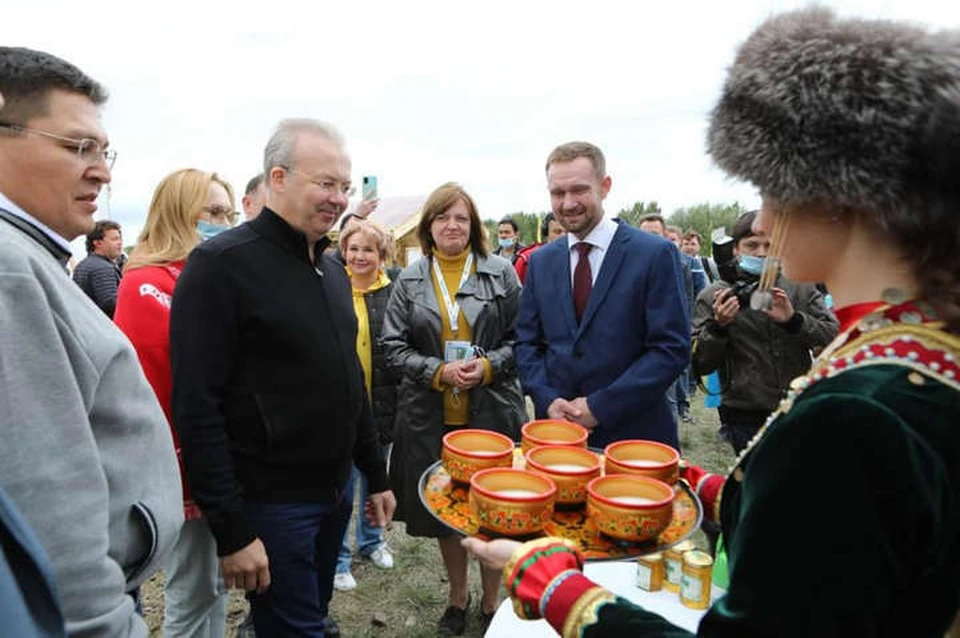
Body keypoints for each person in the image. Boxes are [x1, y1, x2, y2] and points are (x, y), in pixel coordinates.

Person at [463, 8, 960, 636]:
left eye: (772, 184)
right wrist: (689, 479)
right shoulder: (911, 355)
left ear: (840, 193)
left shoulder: (858, 412)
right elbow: (838, 534)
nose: (760, 218)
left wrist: (554, 586)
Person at [170, 118, 395, 638]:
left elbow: (350, 383)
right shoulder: (220, 266)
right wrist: (231, 530)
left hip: (336, 493)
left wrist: (374, 474)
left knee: (310, 616)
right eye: (325, 183)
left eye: (344, 185)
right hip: (273, 504)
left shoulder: (334, 271)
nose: (339, 198)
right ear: (277, 177)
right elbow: (196, 407)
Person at [0, 46, 182, 636]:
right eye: (79, 147)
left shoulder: (30, 257)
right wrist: (106, 625)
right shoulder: (8, 269)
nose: (103, 171)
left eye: (104, 152)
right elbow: (43, 503)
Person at [382, 182, 526, 635]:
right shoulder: (410, 278)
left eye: (461, 218)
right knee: (449, 512)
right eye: (443, 217)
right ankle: (457, 598)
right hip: (432, 415)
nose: (452, 225)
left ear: (474, 225)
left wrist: (486, 367)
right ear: (428, 226)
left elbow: (523, 340)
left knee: (491, 510)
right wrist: (435, 371)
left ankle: (491, 602)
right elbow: (391, 346)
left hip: (491, 413)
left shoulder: (501, 272)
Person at [114, 168, 236, 637]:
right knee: (191, 589)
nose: (223, 222)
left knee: (216, 583)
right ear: (180, 213)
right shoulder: (148, 282)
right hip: (179, 461)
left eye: (227, 213)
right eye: (212, 212)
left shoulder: (199, 273)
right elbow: (165, 381)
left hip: (215, 458)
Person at [517, 142, 689, 449]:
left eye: (579, 190)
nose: (568, 203)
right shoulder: (541, 262)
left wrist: (600, 406)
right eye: (558, 193)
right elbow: (527, 343)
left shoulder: (654, 254)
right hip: (558, 440)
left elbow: (670, 349)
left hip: (636, 440)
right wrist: (547, 398)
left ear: (605, 186)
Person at [693, 210, 838, 453]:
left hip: (796, 405)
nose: (761, 253)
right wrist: (718, 327)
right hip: (744, 412)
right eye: (751, 245)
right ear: (735, 249)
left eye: (769, 245)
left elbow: (835, 336)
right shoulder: (715, 295)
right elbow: (700, 364)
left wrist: (794, 321)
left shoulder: (800, 287)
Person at [333, 220, 398, 592]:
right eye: (353, 248)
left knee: (375, 479)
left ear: (381, 255)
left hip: (382, 402)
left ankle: (372, 542)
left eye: (368, 250)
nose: (359, 256)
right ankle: (339, 558)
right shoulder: (331, 285)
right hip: (344, 408)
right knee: (343, 488)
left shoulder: (392, 291)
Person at [72, 219, 123, 317]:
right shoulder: (102, 268)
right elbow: (111, 304)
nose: (119, 243)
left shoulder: (83, 265)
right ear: (98, 243)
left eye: (120, 239)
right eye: (114, 239)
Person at [513, 212, 565, 284]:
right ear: (546, 234)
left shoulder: (581, 259)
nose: (563, 236)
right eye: (557, 232)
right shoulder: (527, 261)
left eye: (569, 232)